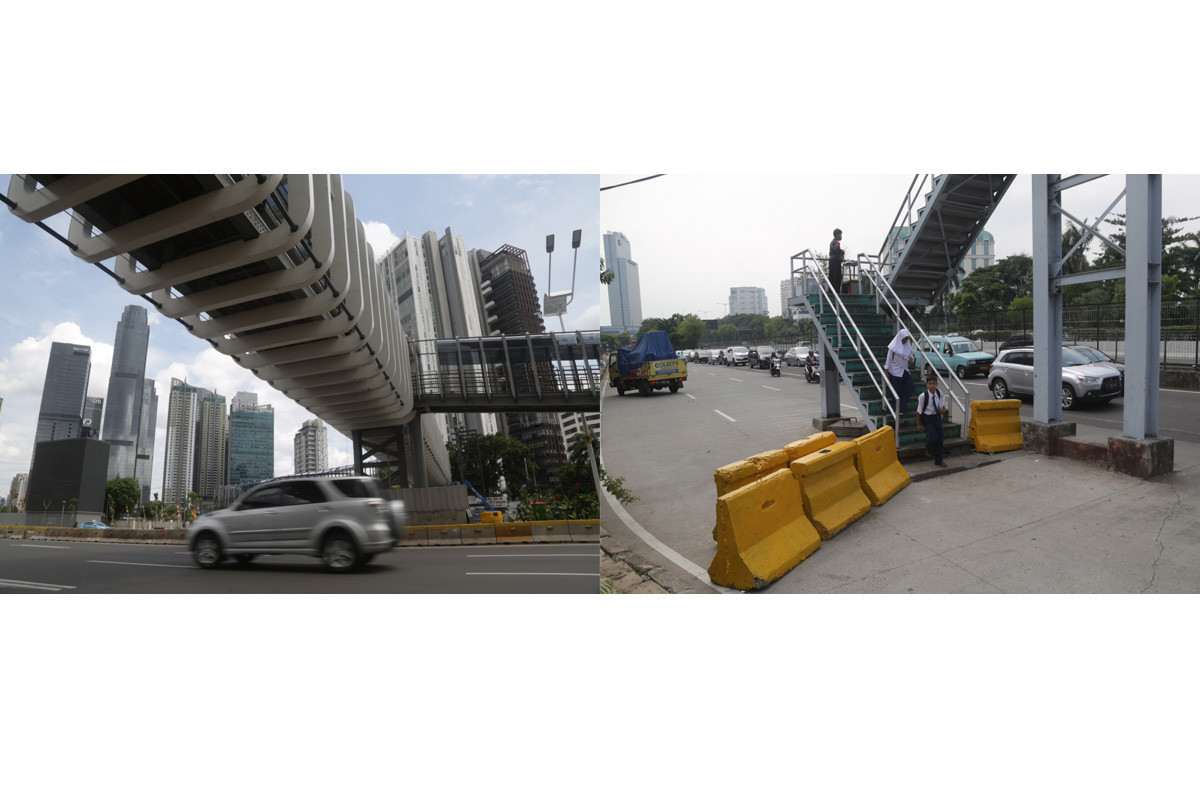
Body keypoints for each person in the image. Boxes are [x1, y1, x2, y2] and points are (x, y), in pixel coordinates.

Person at [916, 374, 949, 467]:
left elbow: (941, 404)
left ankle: (939, 460)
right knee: (933, 437)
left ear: (937, 384)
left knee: (940, 439)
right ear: (926, 385)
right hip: (927, 417)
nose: (932, 385)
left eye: (934, 383)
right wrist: (918, 424)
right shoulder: (923, 396)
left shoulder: (939, 393)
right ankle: (927, 446)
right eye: (930, 384)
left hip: (937, 417)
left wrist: (943, 409)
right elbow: (919, 411)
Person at [884, 327, 916, 414]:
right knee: (896, 391)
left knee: (911, 387)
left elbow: (911, 355)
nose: (905, 340)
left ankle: (900, 405)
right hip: (895, 371)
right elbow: (889, 358)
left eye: (907, 338)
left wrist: (911, 358)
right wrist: (886, 370)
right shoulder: (893, 346)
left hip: (905, 370)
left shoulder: (908, 345)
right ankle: (898, 409)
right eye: (904, 339)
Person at [829, 228, 844, 293]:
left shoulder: (831, 242)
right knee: (837, 276)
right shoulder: (836, 242)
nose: (841, 236)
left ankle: (830, 291)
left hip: (831, 260)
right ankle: (836, 292)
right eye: (840, 235)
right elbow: (837, 249)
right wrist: (842, 251)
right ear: (837, 235)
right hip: (836, 260)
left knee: (831, 276)